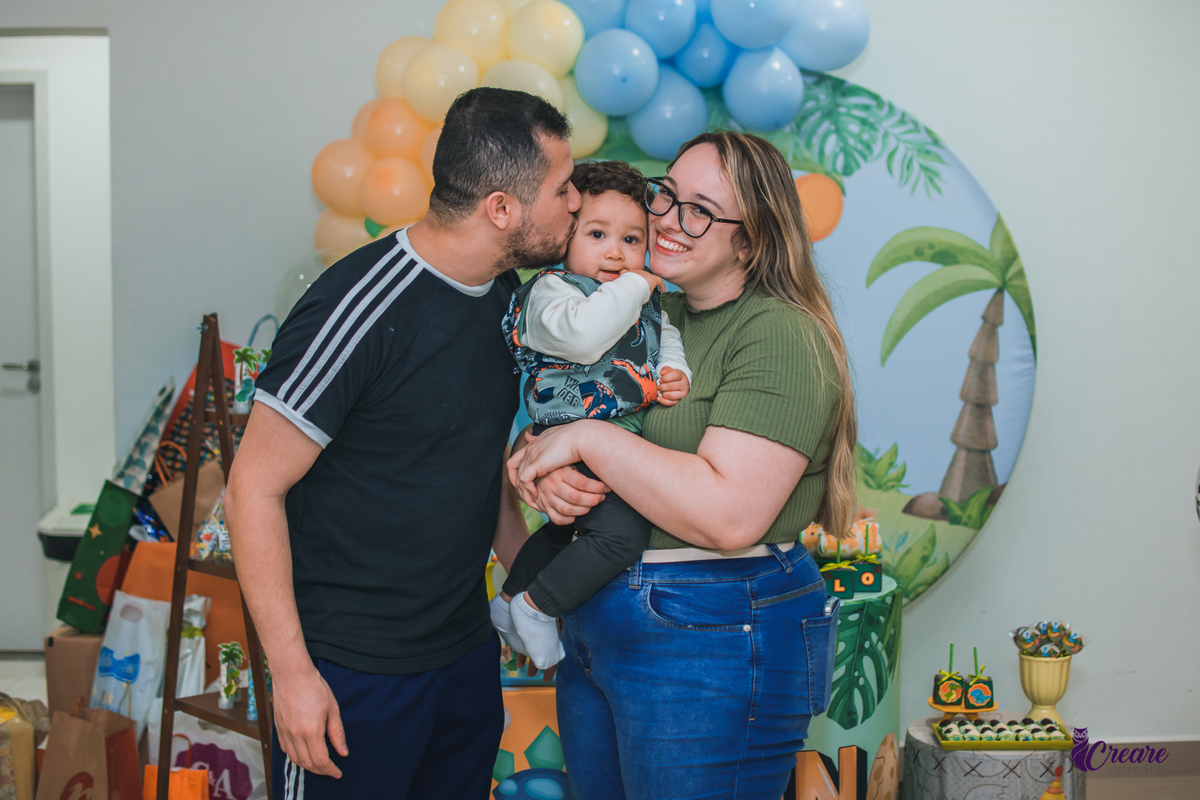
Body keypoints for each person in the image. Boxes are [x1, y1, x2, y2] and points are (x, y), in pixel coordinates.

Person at [224, 87, 580, 799]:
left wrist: (537, 598)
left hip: (461, 654)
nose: (575, 204)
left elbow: (478, 472)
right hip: (350, 669)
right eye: (563, 189)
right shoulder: (357, 307)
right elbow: (251, 490)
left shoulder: (510, 300)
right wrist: (292, 675)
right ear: (502, 209)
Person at [507, 131, 859, 800]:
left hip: (714, 629)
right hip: (599, 615)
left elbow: (729, 515)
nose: (666, 219)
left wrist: (587, 440)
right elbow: (547, 410)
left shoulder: (780, 332)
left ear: (750, 241)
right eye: (666, 194)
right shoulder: (644, 309)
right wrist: (548, 469)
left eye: (700, 210)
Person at [490, 160, 692, 671]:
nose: (615, 253)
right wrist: (635, 285)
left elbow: (661, 336)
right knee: (622, 535)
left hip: (614, 440)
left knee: (560, 534)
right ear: (566, 238)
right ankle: (540, 606)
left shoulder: (642, 300)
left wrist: (675, 369)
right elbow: (581, 336)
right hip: (567, 432)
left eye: (631, 239)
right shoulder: (549, 292)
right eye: (598, 234)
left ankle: (510, 599)